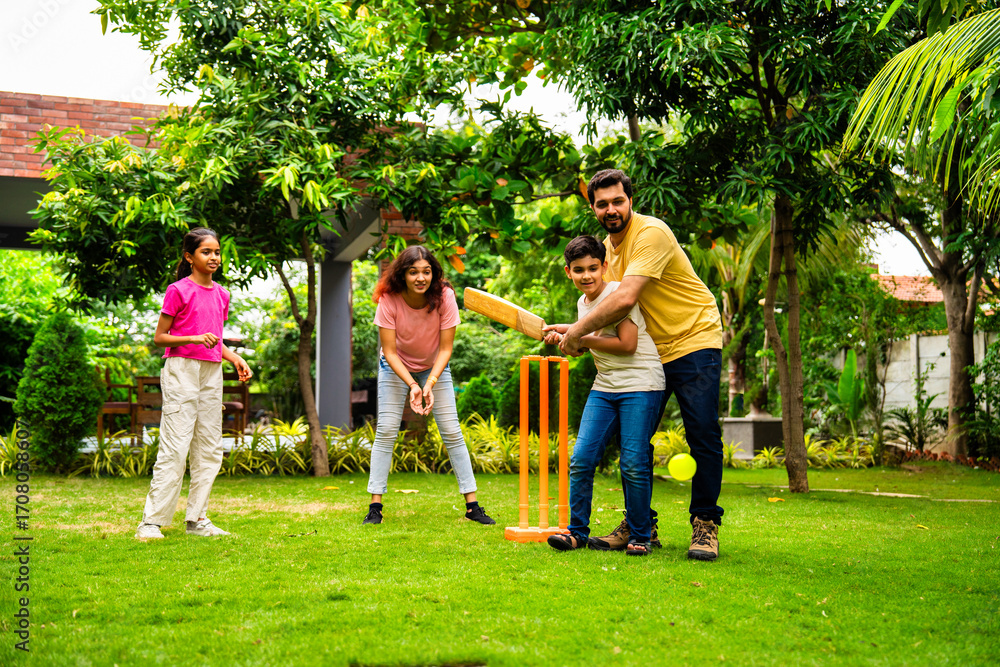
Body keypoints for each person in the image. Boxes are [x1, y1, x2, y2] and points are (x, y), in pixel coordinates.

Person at [547, 169, 725, 561]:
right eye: (602, 204)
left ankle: (705, 523)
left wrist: (576, 333)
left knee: (702, 433)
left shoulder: (651, 233)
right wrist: (572, 333)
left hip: (693, 338)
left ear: (631, 200)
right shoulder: (604, 254)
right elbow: (604, 314)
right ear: (593, 208)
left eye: (618, 201)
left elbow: (625, 299)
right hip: (650, 352)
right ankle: (640, 524)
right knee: (635, 444)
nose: (611, 209)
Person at [543, 236, 664, 556]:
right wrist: (568, 332)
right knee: (581, 459)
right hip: (606, 385)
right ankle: (576, 532)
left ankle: (641, 535)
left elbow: (627, 345)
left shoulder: (617, 294)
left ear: (604, 266)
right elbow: (590, 338)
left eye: (593, 268)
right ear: (568, 272)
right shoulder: (583, 304)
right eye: (579, 270)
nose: (587, 275)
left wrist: (578, 336)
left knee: (633, 462)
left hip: (641, 383)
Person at [363, 245, 495, 526]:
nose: (420, 278)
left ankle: (472, 506)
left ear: (434, 274)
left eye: (426, 272)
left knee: (451, 430)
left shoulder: (444, 296)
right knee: (386, 430)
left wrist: (430, 382)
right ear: (403, 274)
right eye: (413, 272)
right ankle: (375, 507)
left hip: (435, 365)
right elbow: (390, 352)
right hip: (395, 367)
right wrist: (413, 384)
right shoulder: (389, 298)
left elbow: (446, 349)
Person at [136, 228, 252, 540]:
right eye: (206, 252)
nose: (213, 257)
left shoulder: (222, 294)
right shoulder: (178, 290)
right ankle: (151, 523)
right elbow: (160, 337)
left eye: (217, 252)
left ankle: (197, 519)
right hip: (182, 370)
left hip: (212, 372)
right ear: (189, 257)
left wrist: (235, 358)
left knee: (210, 449)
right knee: (175, 448)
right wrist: (195, 338)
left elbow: (215, 338)